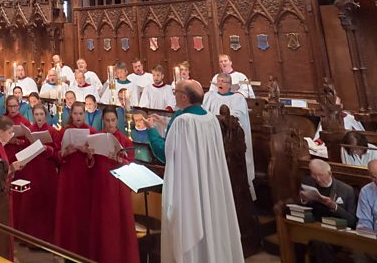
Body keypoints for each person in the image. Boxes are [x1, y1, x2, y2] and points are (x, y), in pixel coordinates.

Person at [153, 79, 242, 263]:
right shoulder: (210, 119)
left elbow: (166, 155)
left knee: (189, 225)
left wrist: (152, 131)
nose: (174, 94)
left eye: (176, 91)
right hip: (209, 188)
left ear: (184, 96)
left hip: (189, 190)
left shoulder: (183, 121)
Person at [91, 108, 139, 263]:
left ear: (117, 120)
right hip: (101, 186)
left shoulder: (125, 141)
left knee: (119, 224)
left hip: (119, 189)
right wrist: (90, 156)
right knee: (102, 224)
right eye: (107, 120)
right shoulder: (96, 138)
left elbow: (132, 167)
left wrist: (120, 161)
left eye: (113, 120)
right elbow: (91, 165)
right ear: (103, 121)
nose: (110, 124)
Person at [202, 72, 255, 198]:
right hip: (212, 136)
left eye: (223, 82)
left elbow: (240, 116)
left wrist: (225, 120)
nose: (220, 84)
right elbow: (203, 111)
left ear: (230, 85)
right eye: (218, 81)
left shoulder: (238, 98)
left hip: (230, 137)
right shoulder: (209, 96)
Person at [54, 102, 96, 260]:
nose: (78, 117)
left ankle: (84, 250)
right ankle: (65, 249)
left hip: (85, 180)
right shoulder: (65, 131)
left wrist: (89, 154)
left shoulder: (91, 132)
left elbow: (96, 161)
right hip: (68, 178)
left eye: (81, 114)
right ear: (71, 114)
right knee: (68, 213)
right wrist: (65, 152)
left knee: (83, 214)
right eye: (75, 114)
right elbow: (56, 155)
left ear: (85, 114)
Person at [14, 102, 59, 243]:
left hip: (47, 171)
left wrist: (48, 149)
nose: (39, 117)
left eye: (41, 114)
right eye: (36, 114)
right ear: (32, 116)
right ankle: (28, 238)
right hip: (31, 170)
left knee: (45, 203)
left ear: (45, 116)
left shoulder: (52, 131)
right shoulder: (29, 131)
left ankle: (47, 239)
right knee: (30, 203)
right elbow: (22, 150)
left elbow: (58, 153)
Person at [298, 159, 357, 263]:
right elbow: (299, 205)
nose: (318, 179)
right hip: (313, 227)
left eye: (320, 175)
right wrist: (304, 200)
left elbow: (352, 221)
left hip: (335, 231)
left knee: (320, 242)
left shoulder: (346, 190)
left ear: (330, 173)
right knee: (297, 237)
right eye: (314, 175)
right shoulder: (308, 183)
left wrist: (334, 206)